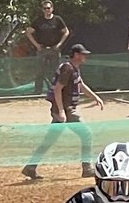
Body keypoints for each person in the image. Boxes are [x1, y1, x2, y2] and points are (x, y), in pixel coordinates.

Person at [23, 43, 104, 180]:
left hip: (66, 109)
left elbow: (81, 85)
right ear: (76, 55)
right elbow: (57, 89)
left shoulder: (74, 69)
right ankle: (87, 168)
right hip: (66, 110)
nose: (85, 57)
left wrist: (95, 97)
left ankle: (30, 167)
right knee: (86, 134)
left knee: (50, 139)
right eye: (83, 54)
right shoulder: (68, 69)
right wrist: (61, 111)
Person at [22, 0, 72, 94]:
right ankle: (37, 92)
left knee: (55, 71)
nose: (47, 10)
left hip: (54, 49)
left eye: (48, 8)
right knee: (39, 71)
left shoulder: (57, 20)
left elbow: (66, 32)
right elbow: (28, 33)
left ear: (52, 9)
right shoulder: (38, 21)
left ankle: (56, 91)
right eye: (45, 8)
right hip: (42, 49)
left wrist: (59, 44)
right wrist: (37, 45)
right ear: (42, 10)